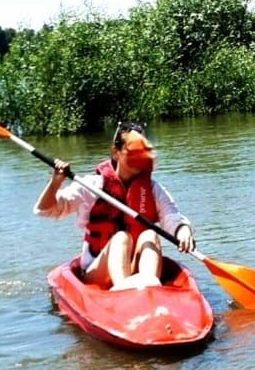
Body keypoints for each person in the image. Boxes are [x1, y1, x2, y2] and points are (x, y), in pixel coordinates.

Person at [34, 122, 196, 290]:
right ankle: (123, 290)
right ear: (115, 152)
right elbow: (46, 209)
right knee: (121, 238)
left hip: (136, 270)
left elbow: (172, 218)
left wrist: (183, 230)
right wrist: (55, 183)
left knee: (150, 235)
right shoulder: (92, 186)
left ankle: (150, 288)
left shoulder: (153, 189)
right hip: (97, 272)